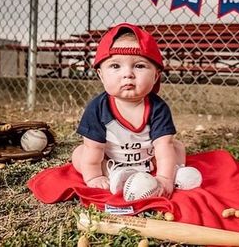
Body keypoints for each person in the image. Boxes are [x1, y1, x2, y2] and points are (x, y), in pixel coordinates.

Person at [71, 23, 186, 198]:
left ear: (155, 75)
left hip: (149, 163)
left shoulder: (158, 108)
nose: (128, 74)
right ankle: (116, 177)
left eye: (139, 66)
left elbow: (163, 146)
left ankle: (156, 176)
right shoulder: (98, 108)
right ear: (101, 75)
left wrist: (164, 178)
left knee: (176, 148)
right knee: (80, 154)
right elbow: (93, 147)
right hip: (110, 163)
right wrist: (95, 176)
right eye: (115, 66)